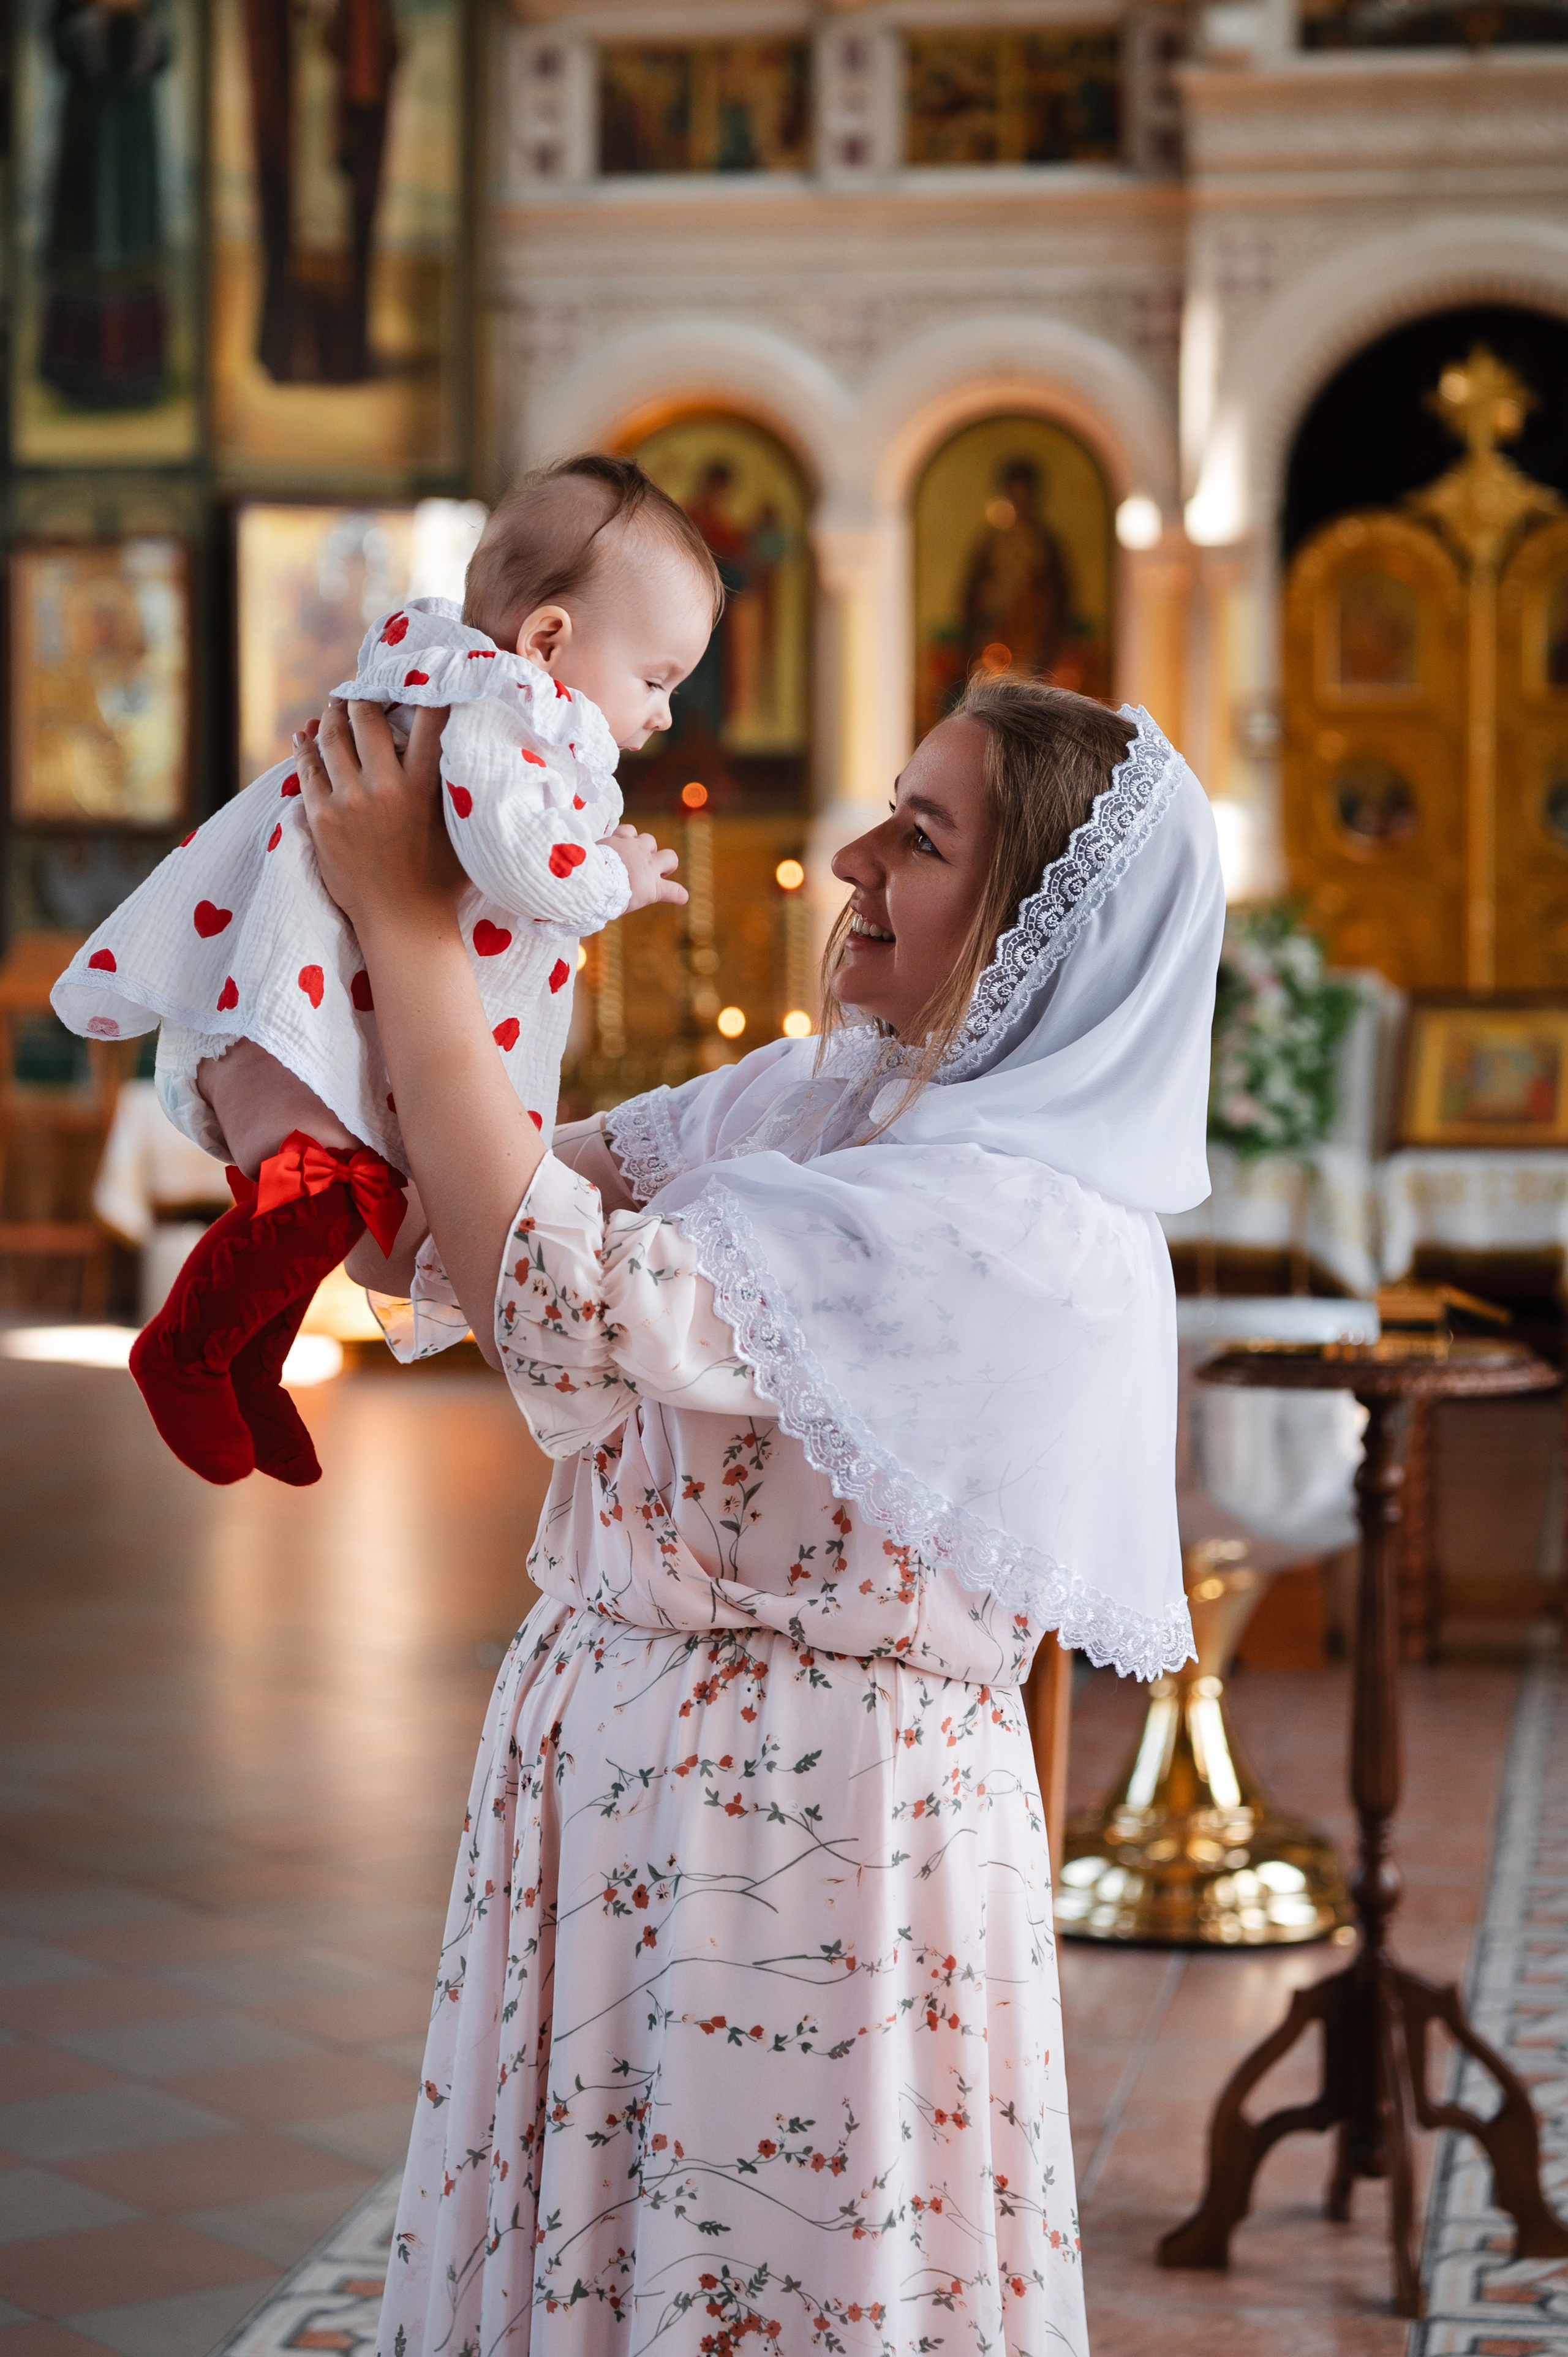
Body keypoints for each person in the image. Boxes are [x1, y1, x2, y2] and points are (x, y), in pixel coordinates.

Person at [292, 669, 1224, 2351]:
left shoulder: (1030, 1224)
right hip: (598, 1763)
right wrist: (342, 966)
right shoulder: (808, 1102)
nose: (857, 855)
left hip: (822, 1836)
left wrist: (409, 928)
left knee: (787, 2276)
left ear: (1032, 933)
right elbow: (459, 1220)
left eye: (923, 838)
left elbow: (565, 1300)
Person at [53, 456, 715, 1488]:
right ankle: (182, 1350)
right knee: (323, 1200)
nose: (664, 714)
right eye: (657, 679)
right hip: (312, 1016)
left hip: (319, 1006)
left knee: (329, 1208)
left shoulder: (459, 693)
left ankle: (250, 1367)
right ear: (548, 641)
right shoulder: (500, 714)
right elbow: (516, 859)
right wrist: (611, 882)